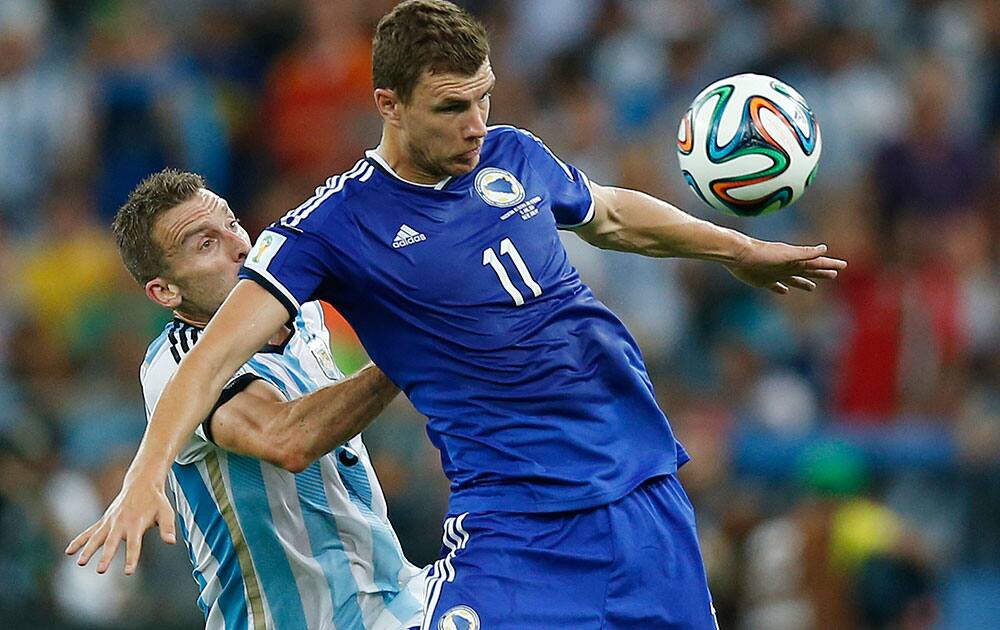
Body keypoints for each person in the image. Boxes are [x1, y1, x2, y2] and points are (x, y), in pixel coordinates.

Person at [69, 1, 847, 627]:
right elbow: (212, 369)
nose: (477, 124)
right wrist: (145, 478)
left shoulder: (512, 154)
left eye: (484, 97)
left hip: (642, 488)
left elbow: (610, 214)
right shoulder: (331, 228)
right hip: (514, 528)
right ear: (390, 105)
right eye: (451, 107)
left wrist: (737, 251)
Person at [68, 169, 426, 629]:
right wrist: (409, 349)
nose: (241, 246)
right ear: (165, 291)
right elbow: (287, 438)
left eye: (232, 224)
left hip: (395, 599)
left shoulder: (306, 312)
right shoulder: (178, 364)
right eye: (205, 244)